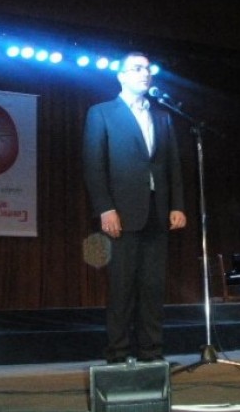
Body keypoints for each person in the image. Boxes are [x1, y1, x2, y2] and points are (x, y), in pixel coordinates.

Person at [82, 51, 187, 363]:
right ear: (122, 76)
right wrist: (105, 208)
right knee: (122, 286)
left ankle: (151, 352)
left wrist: (177, 205)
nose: (145, 73)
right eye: (137, 68)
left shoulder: (162, 116)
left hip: (157, 210)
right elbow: (93, 164)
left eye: (148, 69)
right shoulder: (101, 113)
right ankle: (117, 353)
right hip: (122, 212)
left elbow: (172, 164)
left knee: (153, 286)